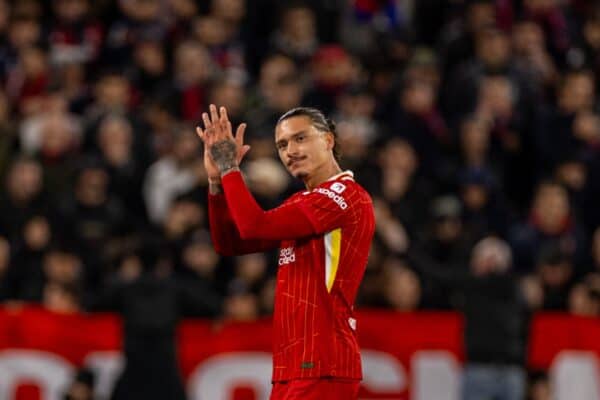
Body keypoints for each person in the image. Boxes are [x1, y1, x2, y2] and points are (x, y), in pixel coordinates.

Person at [196, 104, 375, 400]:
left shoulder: (344, 196)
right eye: (282, 144)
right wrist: (216, 183)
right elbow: (230, 244)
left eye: (300, 138)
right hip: (293, 366)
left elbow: (254, 226)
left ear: (328, 140)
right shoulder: (302, 201)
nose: (290, 150)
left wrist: (231, 168)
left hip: (323, 364)